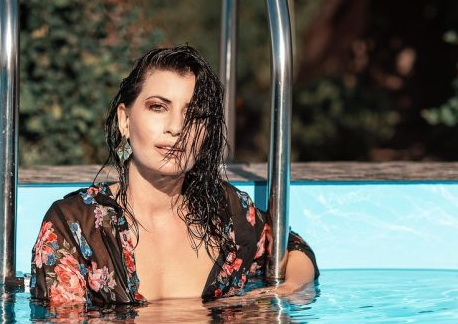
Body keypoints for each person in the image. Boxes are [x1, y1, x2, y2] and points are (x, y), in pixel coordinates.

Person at [30, 45, 318, 306]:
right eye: (158, 107)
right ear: (125, 120)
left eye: (194, 114)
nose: (177, 127)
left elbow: (293, 248)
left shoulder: (225, 212)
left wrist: (289, 289)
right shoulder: (74, 226)